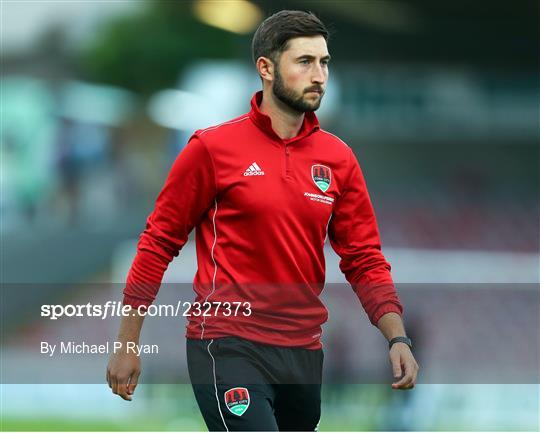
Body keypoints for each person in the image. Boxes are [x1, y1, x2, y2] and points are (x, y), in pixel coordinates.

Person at [107, 10, 419, 431]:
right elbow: (157, 244)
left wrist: (396, 337)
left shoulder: (338, 159)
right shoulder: (212, 149)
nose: (319, 75)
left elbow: (363, 257)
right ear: (267, 69)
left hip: (303, 353)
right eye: (304, 62)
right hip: (226, 342)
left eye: (324, 62)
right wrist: (127, 343)